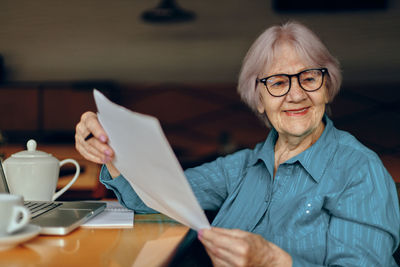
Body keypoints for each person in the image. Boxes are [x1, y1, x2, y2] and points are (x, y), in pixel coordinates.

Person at [75, 21, 400, 266]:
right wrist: (110, 146)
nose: (296, 94)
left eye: (310, 77)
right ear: (258, 100)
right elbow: (153, 198)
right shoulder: (242, 167)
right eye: (277, 82)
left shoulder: (359, 170)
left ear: (327, 88)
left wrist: (274, 262)